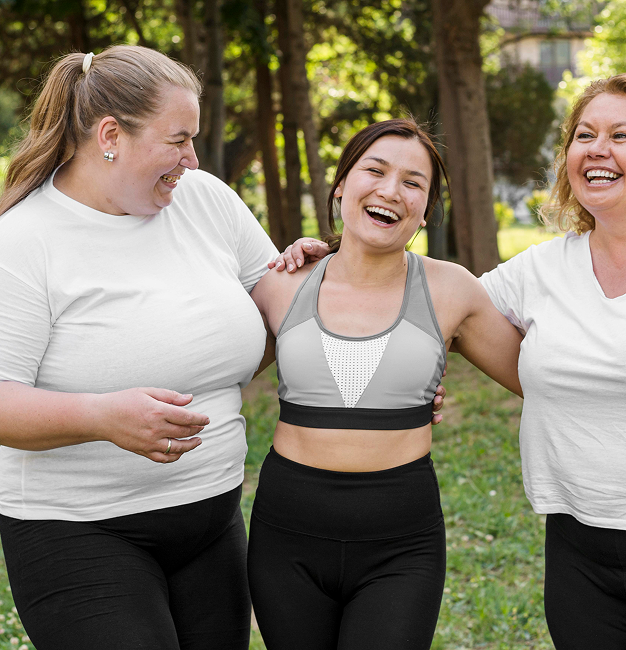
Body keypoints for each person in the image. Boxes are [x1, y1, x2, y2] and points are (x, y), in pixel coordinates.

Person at [272, 73, 626, 649]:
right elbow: (431, 314)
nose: (596, 149)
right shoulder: (542, 270)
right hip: (580, 545)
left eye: (621, 135)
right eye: (584, 134)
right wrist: (334, 260)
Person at [0, 46, 280, 650]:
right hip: (78, 535)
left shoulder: (205, 200)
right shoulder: (19, 245)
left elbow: (276, 304)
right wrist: (100, 417)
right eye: (178, 140)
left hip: (211, 518)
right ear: (110, 135)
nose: (192, 159)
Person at [246, 118, 524, 650]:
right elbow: (210, 374)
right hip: (287, 536)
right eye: (374, 170)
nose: (390, 191)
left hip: (402, 541)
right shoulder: (282, 284)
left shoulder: (451, 289)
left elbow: (541, 377)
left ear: (424, 211)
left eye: (413, 183)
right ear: (340, 186)